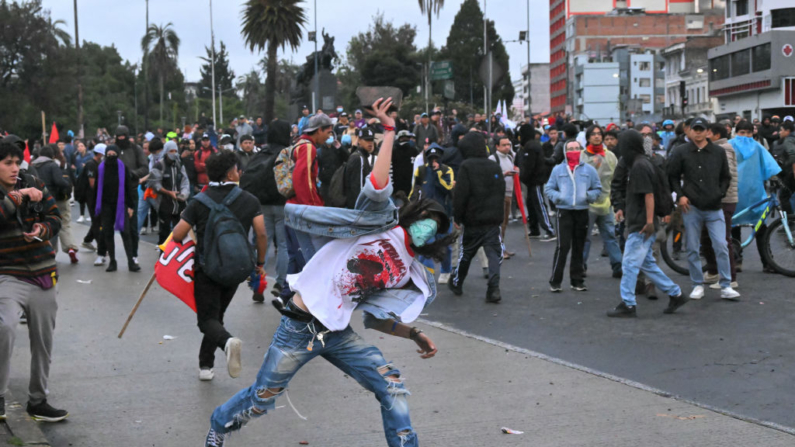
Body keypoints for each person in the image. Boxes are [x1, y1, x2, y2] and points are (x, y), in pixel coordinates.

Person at [203, 98, 446, 447]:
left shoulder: (408, 272)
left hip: (336, 332)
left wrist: (414, 334)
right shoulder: (378, 224)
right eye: (427, 219)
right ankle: (220, 424)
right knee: (262, 399)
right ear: (414, 214)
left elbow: (375, 319)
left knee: (392, 387)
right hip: (298, 327)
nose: (428, 229)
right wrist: (388, 131)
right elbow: (378, 183)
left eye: (436, 228)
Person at [171, 151, 267, 383]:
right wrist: (260, 264)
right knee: (217, 316)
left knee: (207, 320)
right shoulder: (249, 200)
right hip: (236, 268)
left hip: (207, 269)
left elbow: (177, 235)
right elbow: (261, 234)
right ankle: (206, 365)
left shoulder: (199, 201)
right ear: (230, 173)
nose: (239, 171)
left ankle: (225, 343)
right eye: (236, 168)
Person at [0, 141, 69, 423]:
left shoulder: (36, 182)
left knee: (43, 341)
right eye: (7, 163)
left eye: (17, 162)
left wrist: (42, 228)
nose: (15, 168)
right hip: (8, 273)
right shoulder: (21, 190)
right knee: (5, 327)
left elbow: (55, 217)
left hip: (42, 273)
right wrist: (17, 197)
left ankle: (38, 400)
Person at [607, 130, 687, 317]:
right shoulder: (644, 162)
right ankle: (676, 294)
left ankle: (628, 303)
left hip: (641, 224)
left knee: (628, 264)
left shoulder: (638, 166)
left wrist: (650, 222)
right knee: (647, 263)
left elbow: (648, 195)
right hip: (644, 222)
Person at [667, 118, 740, 301]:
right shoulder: (681, 151)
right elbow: (672, 176)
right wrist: (680, 195)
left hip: (714, 206)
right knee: (692, 248)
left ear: (708, 132)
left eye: (701, 129)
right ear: (690, 131)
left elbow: (726, 176)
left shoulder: (718, 152)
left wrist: (720, 193)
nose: (698, 133)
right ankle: (697, 284)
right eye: (695, 129)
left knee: (721, 245)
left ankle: (725, 285)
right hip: (691, 207)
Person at [448, 132, 506, 303]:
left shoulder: (466, 166)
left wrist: (458, 217)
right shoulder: (494, 166)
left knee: (466, 253)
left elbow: (461, 195)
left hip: (473, 219)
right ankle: (493, 288)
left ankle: (457, 282)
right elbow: (501, 191)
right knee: (493, 254)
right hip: (492, 219)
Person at [544, 139, 601, 292]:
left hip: (582, 211)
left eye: (576, 148)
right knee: (563, 246)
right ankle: (555, 281)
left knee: (579, 246)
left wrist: (588, 196)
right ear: (565, 152)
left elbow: (597, 188)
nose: (574, 151)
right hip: (564, 211)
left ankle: (577, 281)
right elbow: (549, 188)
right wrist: (559, 197)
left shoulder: (589, 170)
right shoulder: (558, 170)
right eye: (570, 149)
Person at [245, 120, 291, 299]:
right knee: (284, 245)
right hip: (283, 205)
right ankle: (280, 283)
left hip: (261, 206)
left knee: (262, 244)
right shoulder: (287, 153)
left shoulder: (260, 153)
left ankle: (258, 286)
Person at [731, 120, 783, 274]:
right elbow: (770, 166)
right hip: (744, 192)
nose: (745, 136)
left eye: (748, 132)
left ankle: (765, 262)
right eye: (742, 132)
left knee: (759, 228)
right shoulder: (732, 146)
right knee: (737, 228)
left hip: (750, 192)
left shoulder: (756, 147)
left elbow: (770, 165)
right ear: (736, 132)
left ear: (753, 133)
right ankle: (740, 260)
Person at [287, 113, 332, 261]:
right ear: (319, 130)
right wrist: (311, 208)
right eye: (328, 132)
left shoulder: (300, 144)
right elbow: (302, 179)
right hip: (305, 208)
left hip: (297, 206)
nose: (329, 136)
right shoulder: (308, 148)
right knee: (314, 258)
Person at [580, 125, 623, 278]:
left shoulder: (610, 156)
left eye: (599, 134)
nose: (597, 137)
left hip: (606, 203)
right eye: (593, 134)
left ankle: (618, 266)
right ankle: (581, 266)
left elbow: (617, 178)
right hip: (586, 204)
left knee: (610, 236)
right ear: (588, 137)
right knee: (585, 237)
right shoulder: (582, 157)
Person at [700, 123, 739, 288]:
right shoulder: (716, 148)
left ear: (715, 135)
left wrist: (717, 193)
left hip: (723, 200)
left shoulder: (723, 149)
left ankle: (730, 278)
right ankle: (714, 271)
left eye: (707, 132)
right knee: (708, 238)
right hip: (716, 200)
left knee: (723, 239)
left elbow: (725, 176)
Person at [411, 145, 455, 284]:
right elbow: (414, 191)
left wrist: (438, 174)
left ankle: (446, 270)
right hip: (425, 215)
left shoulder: (447, 170)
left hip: (443, 215)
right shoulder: (421, 170)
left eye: (436, 158)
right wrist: (410, 209)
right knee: (425, 245)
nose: (434, 161)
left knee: (445, 246)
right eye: (431, 158)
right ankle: (427, 275)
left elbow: (448, 188)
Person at [94, 145, 139, 273]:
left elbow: (128, 187)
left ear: (118, 154)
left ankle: (131, 262)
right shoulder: (101, 168)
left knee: (126, 233)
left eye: (114, 154)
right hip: (106, 206)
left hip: (121, 205)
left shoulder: (122, 167)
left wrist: (130, 206)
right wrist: (96, 207)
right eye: (109, 154)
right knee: (108, 233)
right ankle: (112, 261)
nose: (111, 156)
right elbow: (97, 188)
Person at [31, 145, 79, 264]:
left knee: (47, 224)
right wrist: (68, 184)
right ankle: (70, 248)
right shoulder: (52, 165)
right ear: (52, 155)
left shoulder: (32, 166)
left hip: (39, 200)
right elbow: (59, 181)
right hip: (56, 199)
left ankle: (50, 250)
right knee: (64, 223)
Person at [114, 125, 148, 268]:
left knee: (133, 227)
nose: (121, 139)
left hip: (131, 191)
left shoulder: (136, 149)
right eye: (119, 137)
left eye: (124, 136)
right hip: (114, 192)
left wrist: (131, 174)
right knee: (111, 227)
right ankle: (106, 254)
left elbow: (145, 168)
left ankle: (133, 255)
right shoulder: (113, 149)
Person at [148, 141, 189, 245]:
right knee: (164, 233)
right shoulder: (159, 166)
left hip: (179, 204)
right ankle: (163, 257)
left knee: (181, 233)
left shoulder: (180, 165)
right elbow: (155, 184)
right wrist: (168, 192)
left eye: (175, 151)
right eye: (171, 151)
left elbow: (185, 181)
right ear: (166, 152)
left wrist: (184, 194)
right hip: (164, 204)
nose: (174, 153)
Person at [489, 135, 518, 257]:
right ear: (497, 146)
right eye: (504, 145)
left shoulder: (510, 157)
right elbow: (490, 176)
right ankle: (498, 249)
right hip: (498, 194)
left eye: (509, 145)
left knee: (505, 222)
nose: (507, 147)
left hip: (509, 193)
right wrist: (503, 174)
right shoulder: (493, 158)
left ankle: (502, 247)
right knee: (499, 223)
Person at [344, 128, 378, 209]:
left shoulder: (363, 156)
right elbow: (358, 187)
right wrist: (362, 206)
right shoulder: (359, 158)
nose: (370, 143)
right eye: (367, 140)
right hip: (358, 206)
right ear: (359, 140)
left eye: (371, 140)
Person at [391, 130, 419, 197]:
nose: (404, 140)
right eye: (403, 138)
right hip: (400, 185)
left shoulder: (414, 150)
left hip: (405, 185)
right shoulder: (394, 151)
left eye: (406, 138)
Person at [72, 140, 93, 222]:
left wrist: (86, 166)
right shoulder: (77, 157)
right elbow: (77, 169)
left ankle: (91, 214)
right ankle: (81, 215)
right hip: (80, 179)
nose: (79, 148)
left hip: (88, 178)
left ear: (85, 147)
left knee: (90, 199)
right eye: (78, 146)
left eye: (81, 146)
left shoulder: (90, 156)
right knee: (81, 198)